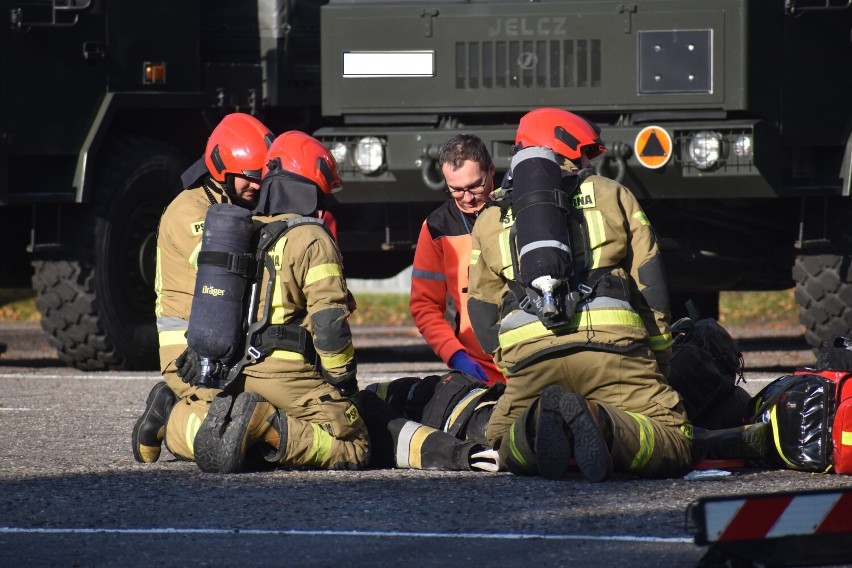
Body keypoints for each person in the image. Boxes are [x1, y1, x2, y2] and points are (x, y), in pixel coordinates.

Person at [466, 108, 693, 481]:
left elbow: (481, 308)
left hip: (532, 362)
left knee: (502, 439)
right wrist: (659, 361)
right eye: (585, 152)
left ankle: (540, 420)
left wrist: (514, 367)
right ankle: (602, 423)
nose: (588, 161)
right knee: (675, 438)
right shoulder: (613, 194)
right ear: (566, 149)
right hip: (614, 351)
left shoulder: (490, 217)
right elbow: (651, 284)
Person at [132, 112, 274, 464]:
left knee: (268, 412)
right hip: (191, 354)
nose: (257, 186)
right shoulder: (188, 212)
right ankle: (169, 410)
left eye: (263, 178)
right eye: (251, 177)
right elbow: (223, 268)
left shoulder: (236, 206)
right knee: (235, 437)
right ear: (222, 167)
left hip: (231, 344)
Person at [410, 134, 505, 385]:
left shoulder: (520, 211)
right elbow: (425, 306)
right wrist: (455, 355)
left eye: (475, 185)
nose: (468, 197)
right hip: (480, 367)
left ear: (491, 170)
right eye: (456, 190)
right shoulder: (435, 228)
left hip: (531, 361)